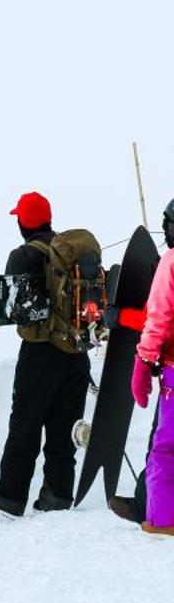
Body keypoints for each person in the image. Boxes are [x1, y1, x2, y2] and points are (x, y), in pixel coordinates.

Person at [0, 192, 101, 516]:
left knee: (25, 424)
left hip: (41, 353)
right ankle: (57, 497)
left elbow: (16, 309)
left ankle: (10, 497)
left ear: (23, 222)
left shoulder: (24, 255)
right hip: (76, 349)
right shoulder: (68, 253)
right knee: (65, 427)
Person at [127, 199, 174, 534]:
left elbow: (158, 319)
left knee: (167, 448)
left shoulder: (171, 262)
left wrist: (143, 362)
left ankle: (162, 520)